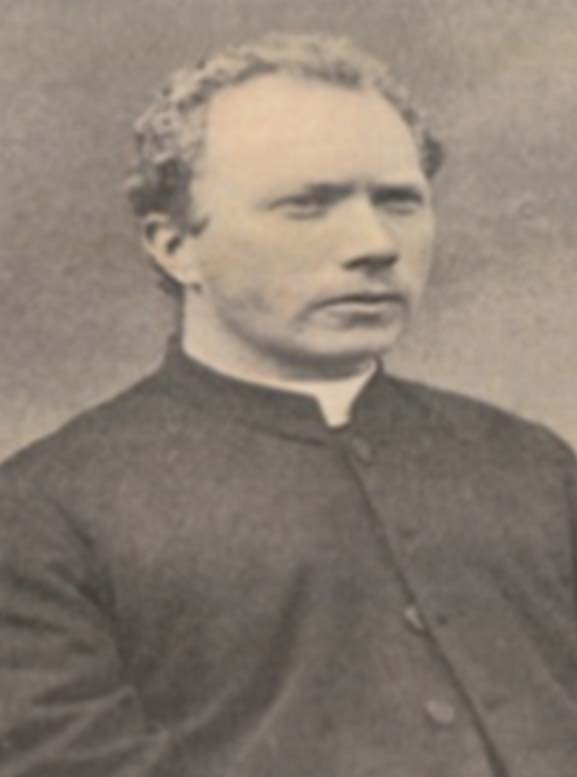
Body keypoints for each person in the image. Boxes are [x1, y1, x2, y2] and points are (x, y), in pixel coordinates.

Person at [0, 33, 576, 777]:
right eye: (306, 205)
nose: (375, 244)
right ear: (176, 246)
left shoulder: (530, 464)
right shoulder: (43, 514)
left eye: (399, 201)